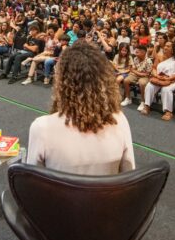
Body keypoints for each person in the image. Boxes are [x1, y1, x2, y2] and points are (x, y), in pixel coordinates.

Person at [26, 41, 135, 175]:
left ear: (61, 81)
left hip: (59, 195)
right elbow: (128, 175)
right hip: (107, 194)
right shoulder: (119, 120)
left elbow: (32, 181)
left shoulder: (42, 127)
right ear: (104, 80)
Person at [141, 41, 175, 121]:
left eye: (168, 46)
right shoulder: (159, 56)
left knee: (166, 89)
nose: (165, 47)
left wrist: (168, 79)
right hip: (160, 78)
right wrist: (156, 75)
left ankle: (168, 112)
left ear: (172, 49)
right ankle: (147, 106)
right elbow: (154, 68)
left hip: (173, 80)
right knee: (150, 86)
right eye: (165, 46)